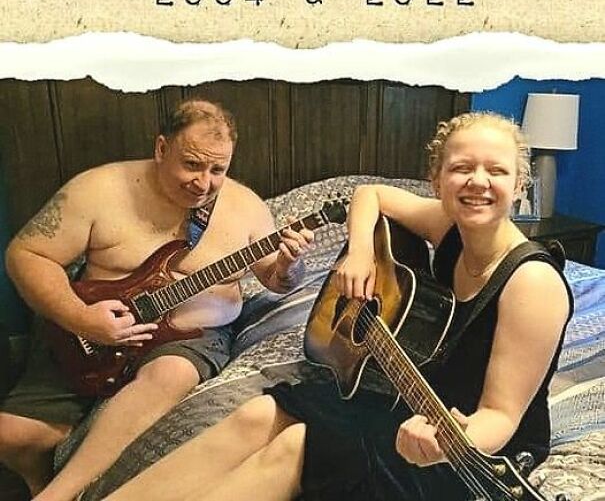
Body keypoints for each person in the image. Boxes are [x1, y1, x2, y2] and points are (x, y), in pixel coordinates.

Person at [99, 110, 572, 501]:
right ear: (436, 179)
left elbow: (502, 418)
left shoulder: (531, 282)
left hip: (474, 452)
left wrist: (446, 442)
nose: (478, 182)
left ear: (521, 182)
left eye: (497, 170)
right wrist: (362, 250)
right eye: (461, 168)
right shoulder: (449, 225)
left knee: (298, 443)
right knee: (258, 412)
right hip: (409, 395)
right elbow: (368, 194)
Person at [0, 98, 313, 501]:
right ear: (162, 148)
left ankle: (58, 496)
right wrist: (80, 317)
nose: (203, 183)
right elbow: (25, 255)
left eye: (217, 169)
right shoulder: (97, 189)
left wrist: (290, 265)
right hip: (89, 329)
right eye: (192, 165)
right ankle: (38, 479)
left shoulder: (246, 208)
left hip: (183, 339)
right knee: (12, 437)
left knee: (172, 376)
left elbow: (277, 280)